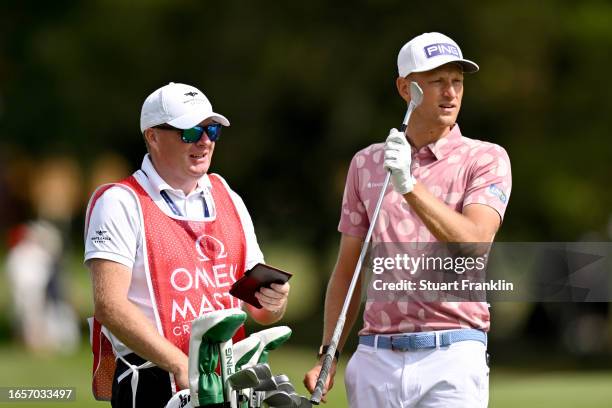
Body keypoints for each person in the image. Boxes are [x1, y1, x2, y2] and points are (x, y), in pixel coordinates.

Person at [304, 32, 512, 407]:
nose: (450, 93)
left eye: (457, 82)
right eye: (436, 82)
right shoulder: (366, 163)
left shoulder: (485, 158)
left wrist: (409, 185)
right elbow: (349, 271)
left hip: (452, 351)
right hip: (375, 355)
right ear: (405, 88)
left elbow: (475, 242)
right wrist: (329, 354)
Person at [84, 82, 290, 408]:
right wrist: (180, 365)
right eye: (190, 132)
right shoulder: (120, 202)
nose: (205, 141)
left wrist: (274, 301)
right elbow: (110, 306)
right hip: (152, 380)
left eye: (212, 130)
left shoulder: (228, 196)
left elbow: (260, 309)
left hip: (227, 379)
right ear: (152, 136)